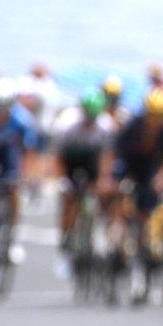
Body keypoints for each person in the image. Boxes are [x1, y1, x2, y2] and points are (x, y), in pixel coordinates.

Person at [113, 87, 163, 304]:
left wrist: (162, 178)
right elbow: (117, 156)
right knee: (123, 206)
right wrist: (118, 180)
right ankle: (120, 248)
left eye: (160, 116)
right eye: (152, 115)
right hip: (132, 168)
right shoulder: (132, 128)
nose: (155, 121)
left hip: (153, 171)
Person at [55, 90, 115, 252]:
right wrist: (62, 179)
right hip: (71, 159)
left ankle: (99, 228)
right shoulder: (67, 123)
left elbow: (106, 155)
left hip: (92, 160)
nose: (90, 119)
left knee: (102, 192)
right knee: (69, 197)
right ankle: (66, 234)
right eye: (88, 115)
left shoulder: (106, 125)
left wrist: (104, 178)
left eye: (94, 116)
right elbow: (59, 156)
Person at [0, 78, 40, 226]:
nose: (2, 112)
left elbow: (29, 150)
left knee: (13, 190)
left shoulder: (22, 120)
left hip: (7, 155)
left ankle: (12, 226)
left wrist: (28, 175)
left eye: (6, 108)